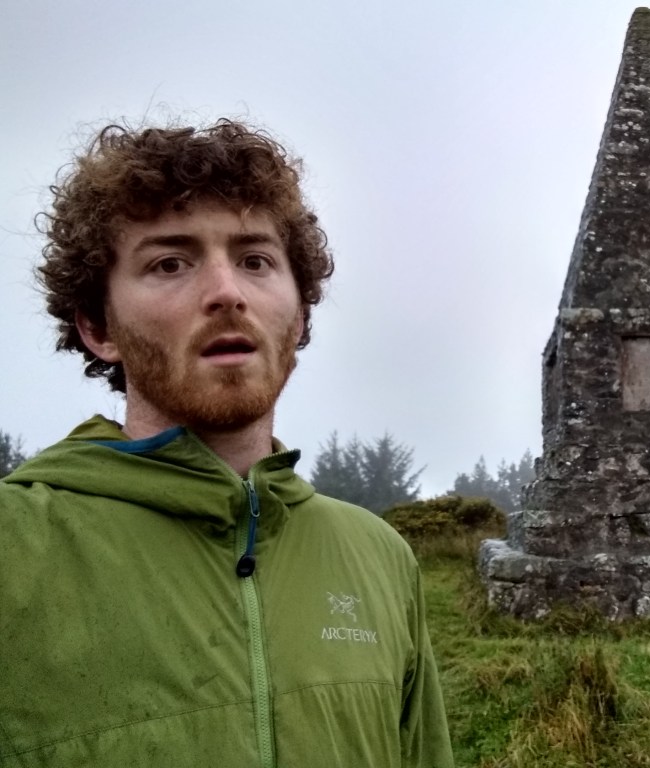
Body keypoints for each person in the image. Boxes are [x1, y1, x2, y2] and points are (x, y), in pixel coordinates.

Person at [0, 120, 454, 767]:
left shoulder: (380, 556)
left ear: (299, 316)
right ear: (99, 327)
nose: (226, 293)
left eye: (255, 261)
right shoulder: (14, 547)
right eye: (170, 263)